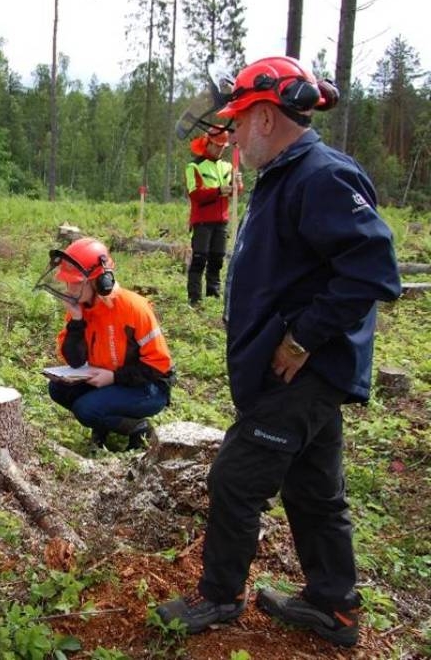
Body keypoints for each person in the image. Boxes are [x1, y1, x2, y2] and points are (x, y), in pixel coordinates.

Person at [156, 56, 401, 648]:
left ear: (265, 117)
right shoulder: (287, 175)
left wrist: (301, 338)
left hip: (302, 374)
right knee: (314, 489)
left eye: (237, 123)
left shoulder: (321, 175)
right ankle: (332, 606)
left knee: (236, 479)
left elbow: (372, 271)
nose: (232, 138)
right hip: (296, 372)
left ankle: (218, 596)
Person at [38, 237, 174, 450]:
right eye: (67, 281)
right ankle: (104, 419)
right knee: (58, 389)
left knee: (86, 409)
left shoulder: (133, 308)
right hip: (107, 379)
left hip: (147, 387)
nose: (69, 288)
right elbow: (74, 361)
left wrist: (114, 377)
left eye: (75, 282)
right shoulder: (82, 308)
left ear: (100, 281)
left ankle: (138, 427)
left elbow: (159, 366)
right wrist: (76, 321)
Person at [185, 129, 242, 305]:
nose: (220, 150)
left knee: (217, 258)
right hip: (202, 220)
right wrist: (218, 191)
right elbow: (195, 194)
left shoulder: (227, 167)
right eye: (217, 146)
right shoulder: (194, 166)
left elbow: (236, 192)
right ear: (207, 143)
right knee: (200, 258)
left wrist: (238, 184)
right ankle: (194, 298)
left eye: (222, 147)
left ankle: (213, 294)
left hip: (222, 220)